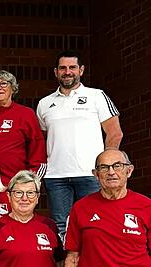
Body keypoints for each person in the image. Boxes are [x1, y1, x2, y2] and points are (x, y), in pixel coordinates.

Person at [36, 50, 123, 239]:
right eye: (63, 68)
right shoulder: (44, 104)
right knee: (61, 228)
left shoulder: (97, 96)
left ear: (81, 70)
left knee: (94, 225)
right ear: (56, 72)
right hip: (56, 176)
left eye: (72, 67)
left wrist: (106, 167)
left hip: (90, 174)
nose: (67, 72)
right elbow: (41, 139)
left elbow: (115, 133)